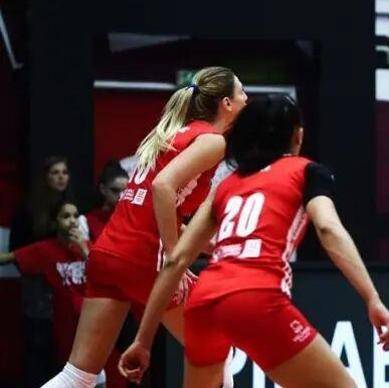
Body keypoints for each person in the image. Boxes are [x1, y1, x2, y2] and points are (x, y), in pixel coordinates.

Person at [117, 95, 389, 387]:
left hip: (204, 302)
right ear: (298, 136)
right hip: (258, 296)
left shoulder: (227, 185)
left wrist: (143, 340)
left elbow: (175, 260)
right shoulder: (307, 171)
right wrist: (372, 298)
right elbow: (328, 229)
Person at [42, 67, 247, 388]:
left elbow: (154, 210)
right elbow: (162, 187)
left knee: (77, 377)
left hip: (108, 253)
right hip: (144, 259)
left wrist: (211, 246)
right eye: (242, 92)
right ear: (227, 104)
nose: (247, 99)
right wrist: (175, 262)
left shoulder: (172, 134)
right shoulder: (211, 141)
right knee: (218, 352)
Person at [1, 199, 89, 367]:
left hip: (87, 325)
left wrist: (84, 249)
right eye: (66, 216)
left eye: (75, 216)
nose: (72, 220)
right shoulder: (44, 249)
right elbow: (7, 258)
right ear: (55, 222)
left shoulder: (87, 247)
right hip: (60, 326)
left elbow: (103, 274)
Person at [84, 161, 128, 240]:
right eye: (115, 191)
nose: (121, 196)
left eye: (125, 191)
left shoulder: (133, 219)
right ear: (103, 189)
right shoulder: (88, 220)